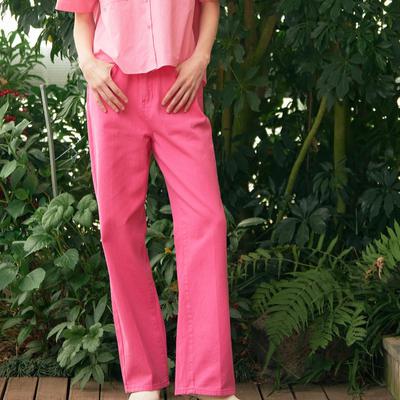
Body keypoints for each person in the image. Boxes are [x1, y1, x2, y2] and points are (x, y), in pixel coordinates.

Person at [54, 1, 240, 399]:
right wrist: (88, 65)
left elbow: (210, 6)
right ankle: (143, 380)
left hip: (179, 87)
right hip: (113, 91)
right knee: (117, 229)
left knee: (207, 222)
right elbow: (82, 17)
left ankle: (211, 382)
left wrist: (200, 59)